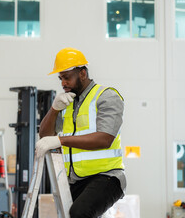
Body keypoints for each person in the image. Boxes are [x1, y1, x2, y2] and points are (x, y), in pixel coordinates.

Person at [36, 47, 126, 218]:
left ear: (82, 74)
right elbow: (45, 136)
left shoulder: (106, 96)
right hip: (76, 179)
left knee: (79, 213)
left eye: (67, 77)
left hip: (107, 176)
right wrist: (54, 109)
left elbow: (104, 139)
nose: (63, 83)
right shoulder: (67, 103)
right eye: (60, 78)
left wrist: (61, 141)